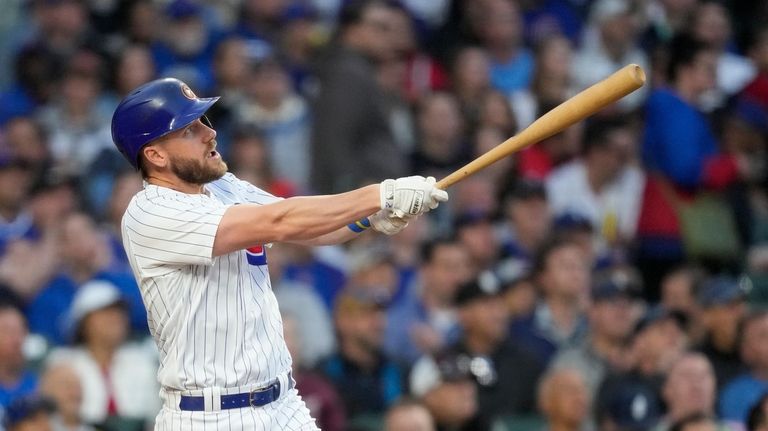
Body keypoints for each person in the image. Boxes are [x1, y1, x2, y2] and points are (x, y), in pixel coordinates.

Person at [110, 77, 447, 429]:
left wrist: (370, 219)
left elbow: (308, 227)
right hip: (210, 414)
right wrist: (380, 194)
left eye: (204, 122)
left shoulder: (220, 186)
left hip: (282, 404)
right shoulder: (150, 212)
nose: (209, 133)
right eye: (189, 130)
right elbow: (280, 220)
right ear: (155, 154)